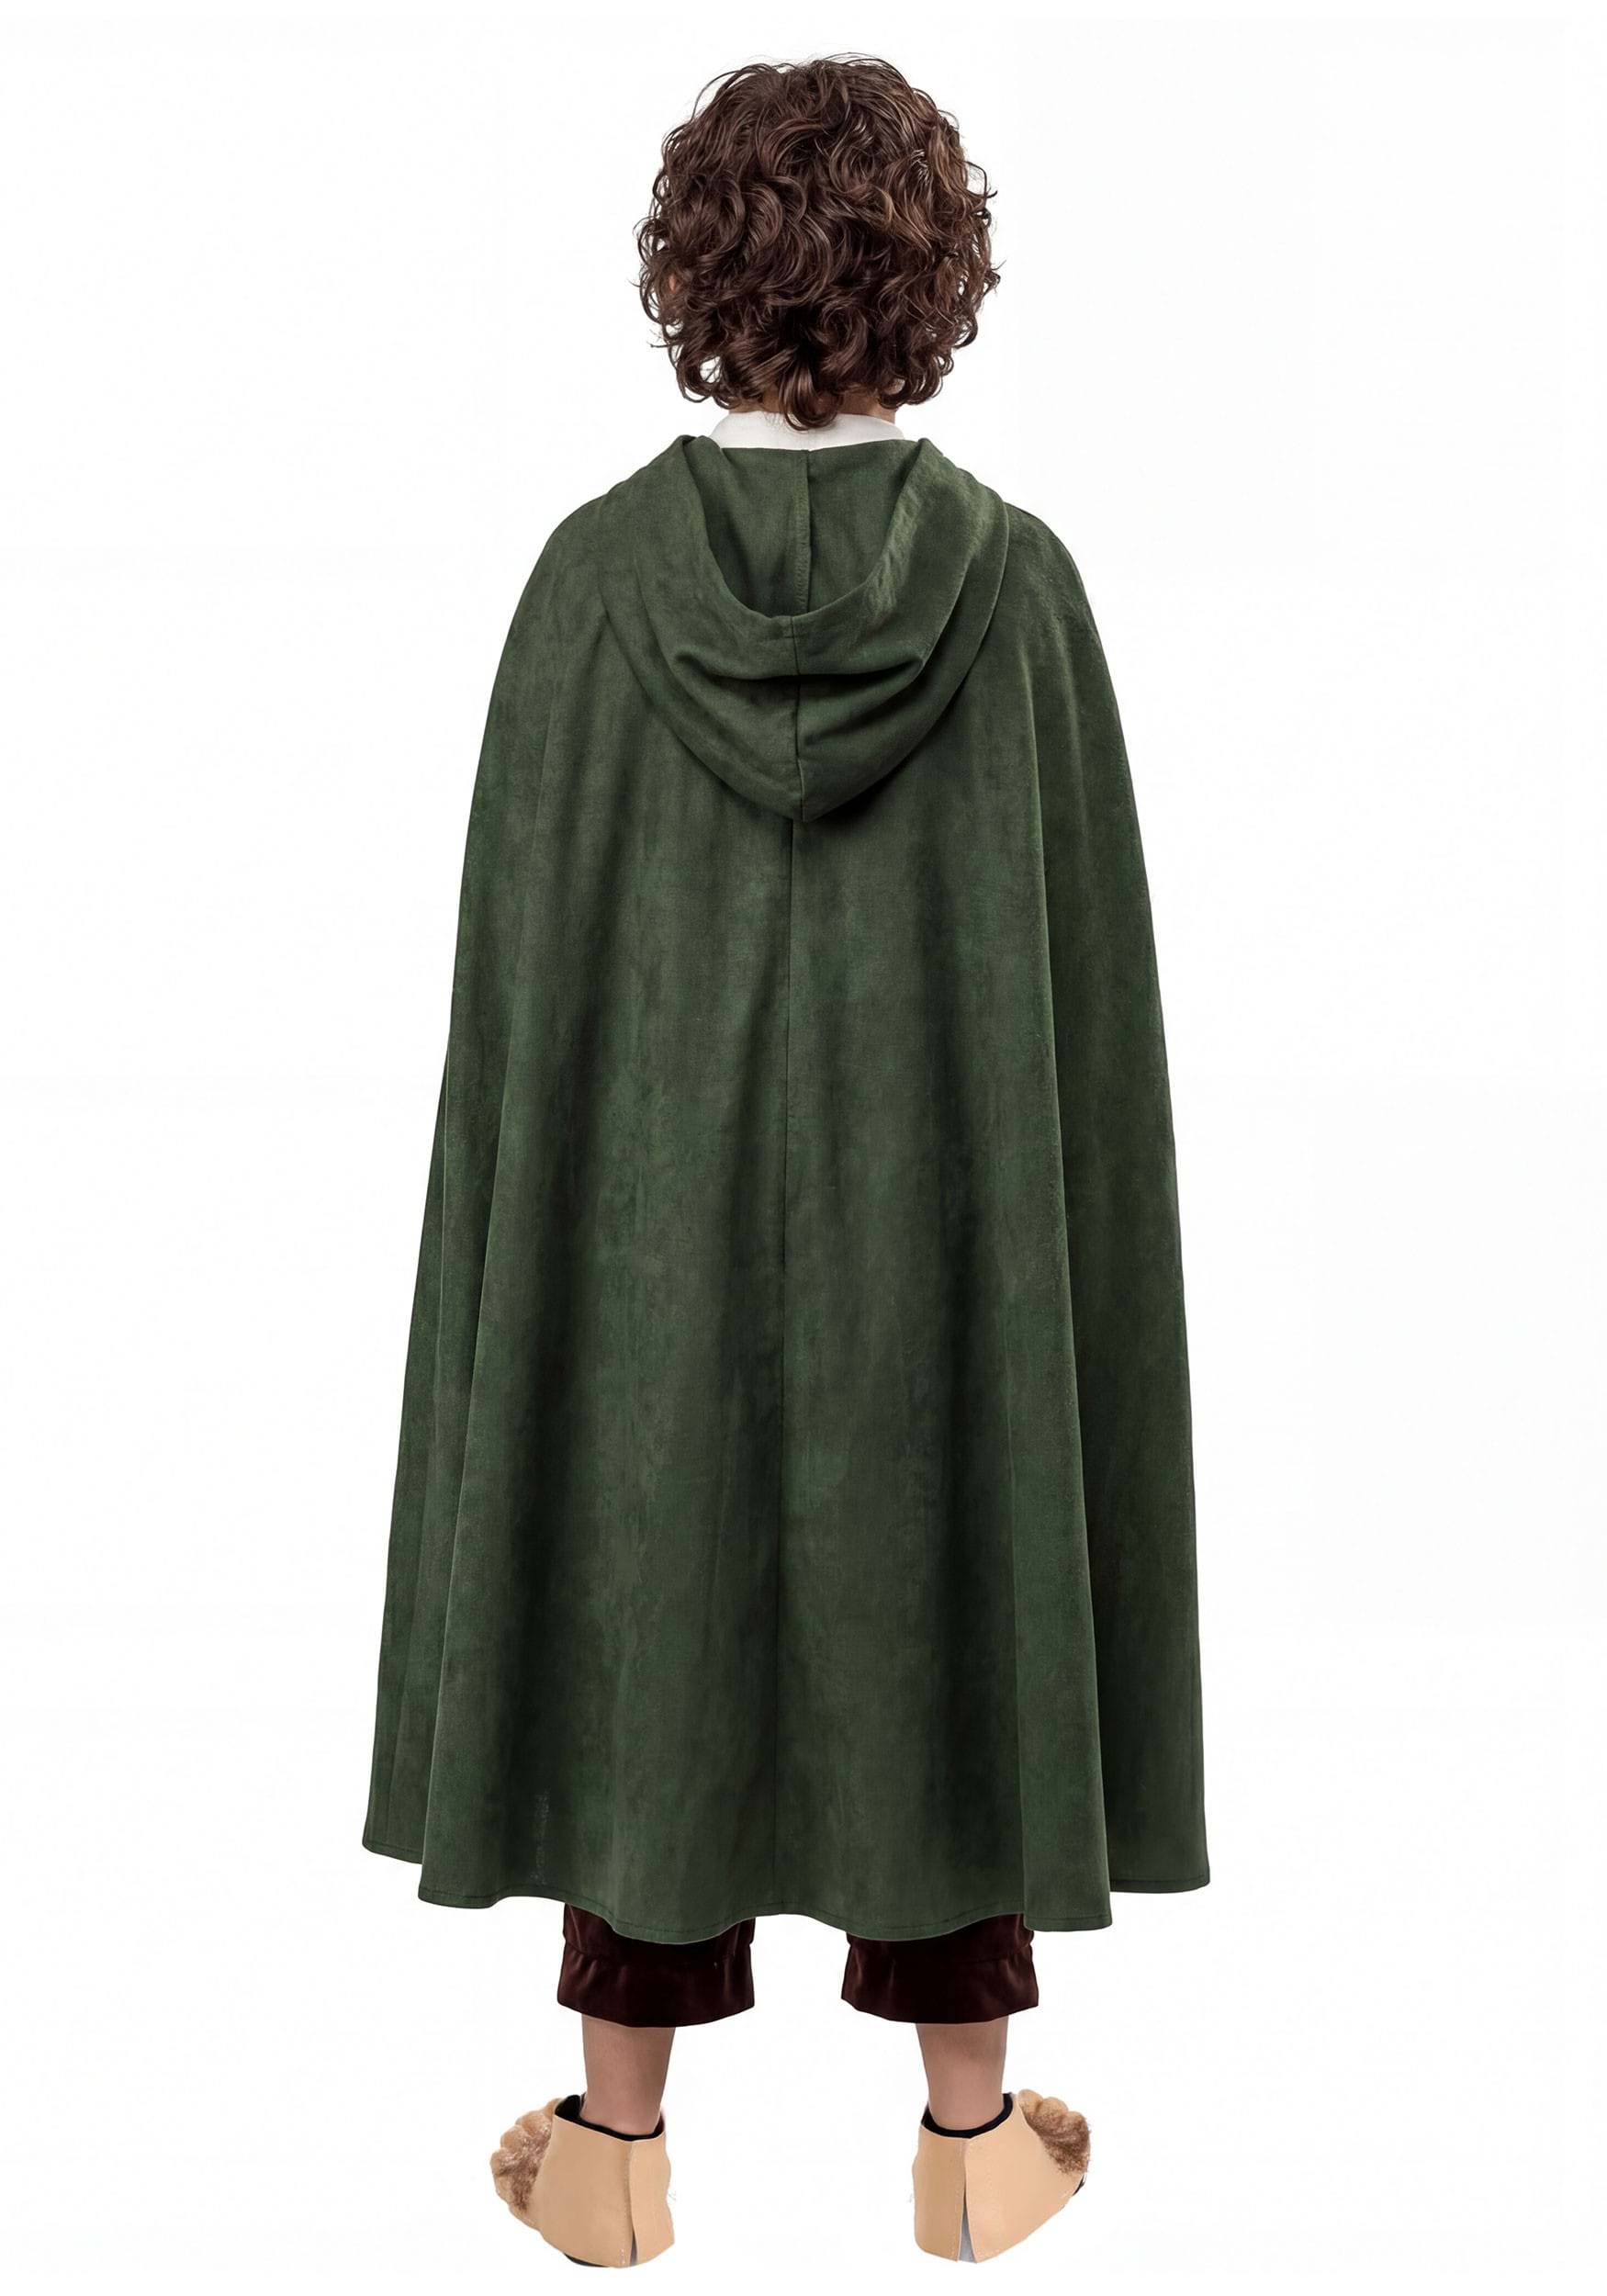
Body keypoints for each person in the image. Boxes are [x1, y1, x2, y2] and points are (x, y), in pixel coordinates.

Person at [364, 53, 1207, 2268]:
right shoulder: (1016, 594)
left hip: (652, 1280)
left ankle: (611, 2151)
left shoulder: (587, 588)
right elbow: (1082, 1058)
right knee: (949, 1596)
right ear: (936, 283)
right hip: (941, 1272)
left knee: (651, 1615)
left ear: (695, 275)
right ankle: (973, 2145)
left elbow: (523, 1040)